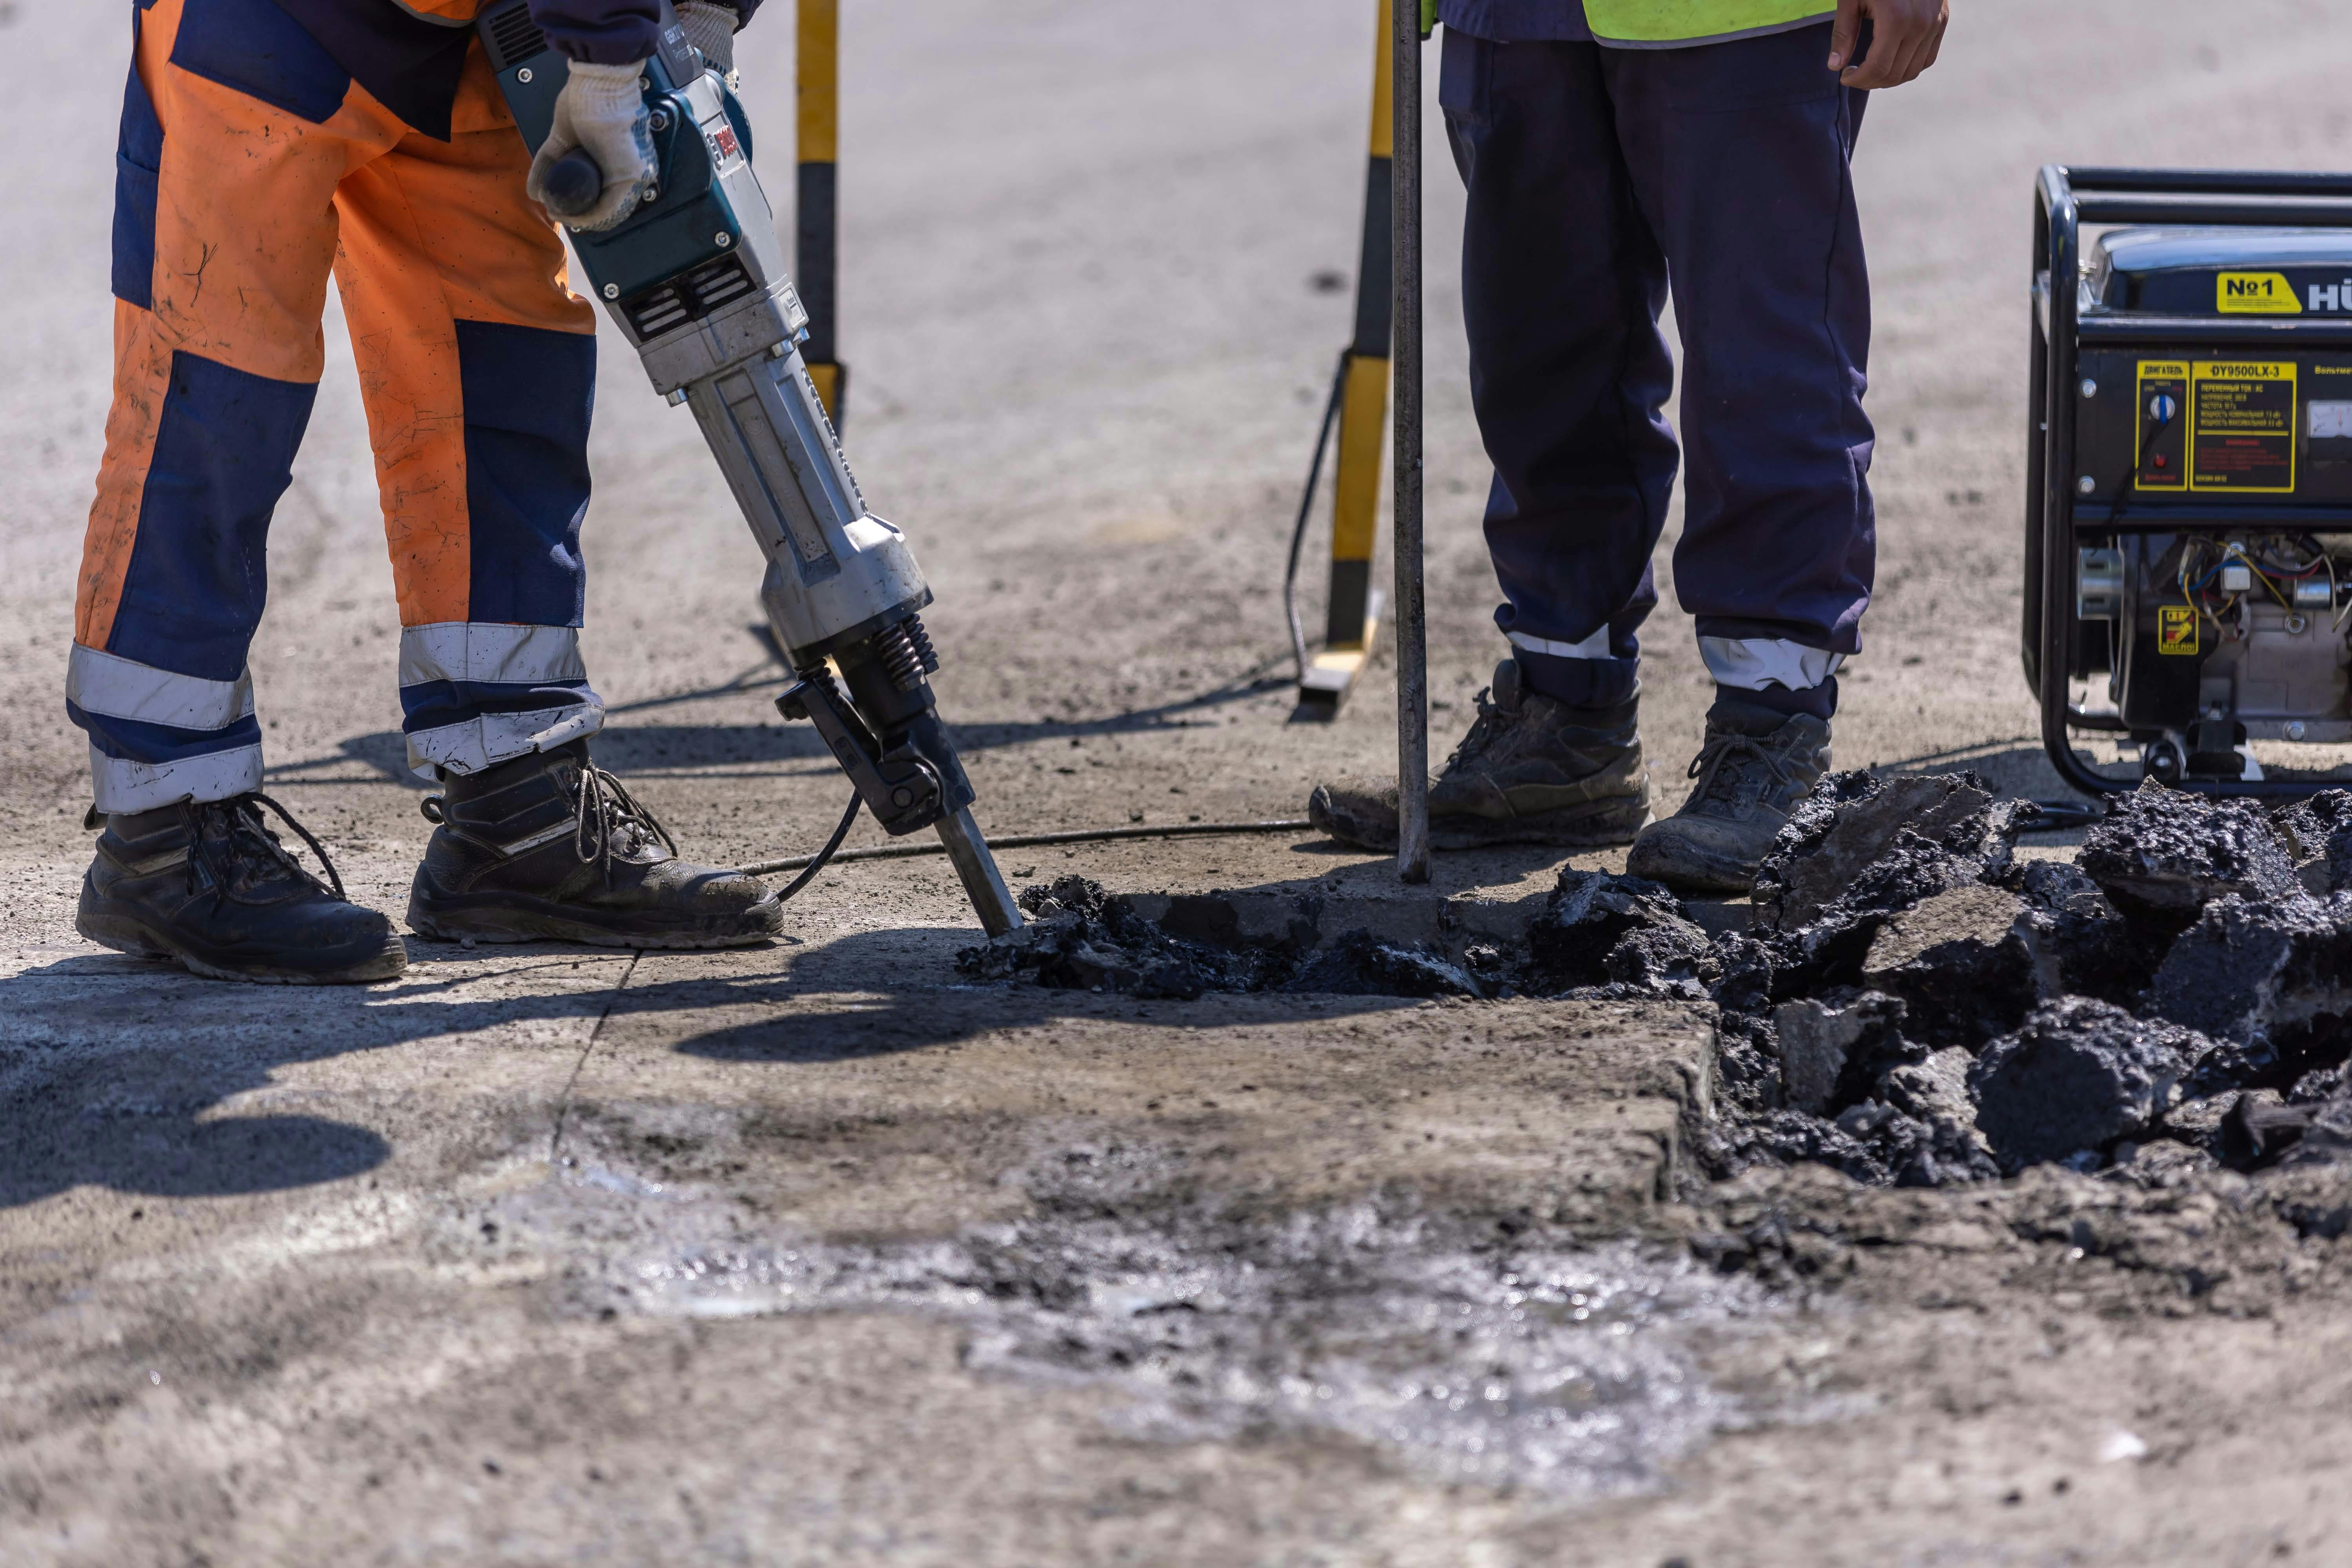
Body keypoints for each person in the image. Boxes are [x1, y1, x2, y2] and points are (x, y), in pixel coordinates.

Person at [71, 0, 778, 984]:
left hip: (473, 29)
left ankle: (517, 808)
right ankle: (164, 825)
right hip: (263, 22)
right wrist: (612, 66)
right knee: (214, 388)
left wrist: (696, 12)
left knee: (496, 367)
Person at [1310, 0, 1949, 893]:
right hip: (1516, 16)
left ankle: (1772, 731)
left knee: (1763, 364)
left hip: (1739, 18)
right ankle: (1567, 722)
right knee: (1540, 355)